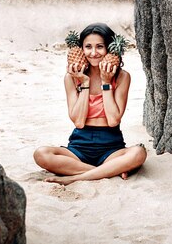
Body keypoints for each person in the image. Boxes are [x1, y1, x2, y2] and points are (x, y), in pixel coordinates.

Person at [33, 22, 147, 185]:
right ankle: (109, 170)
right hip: (79, 147)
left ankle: (75, 176)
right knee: (41, 153)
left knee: (139, 153)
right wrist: (84, 83)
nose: (94, 53)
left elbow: (114, 120)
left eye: (100, 46)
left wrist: (106, 82)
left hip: (111, 148)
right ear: (81, 49)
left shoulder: (122, 77)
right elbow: (78, 122)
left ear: (110, 48)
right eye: (88, 47)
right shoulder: (71, 78)